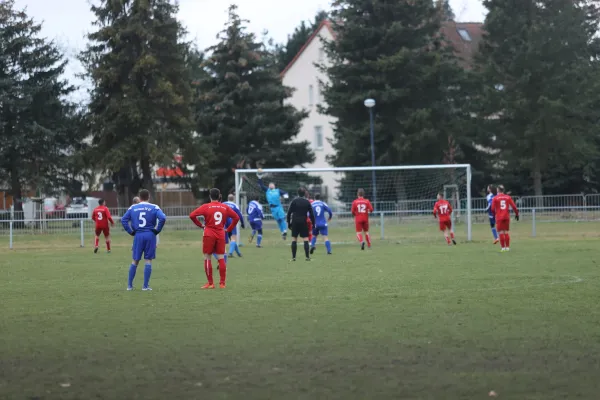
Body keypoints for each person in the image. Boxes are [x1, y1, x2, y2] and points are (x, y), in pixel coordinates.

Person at [189, 188, 240, 289]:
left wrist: (200, 225)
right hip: (221, 233)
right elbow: (236, 217)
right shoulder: (224, 207)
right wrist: (229, 229)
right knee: (221, 258)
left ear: (210, 196)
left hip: (209, 233)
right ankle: (222, 283)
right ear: (219, 196)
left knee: (207, 257)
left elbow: (192, 215)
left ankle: (210, 283)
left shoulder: (206, 207)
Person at [121, 189, 166, 291]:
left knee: (135, 260)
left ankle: (129, 286)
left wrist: (131, 231)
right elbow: (163, 218)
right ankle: (145, 286)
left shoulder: (133, 207)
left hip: (138, 234)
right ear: (148, 196)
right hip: (150, 235)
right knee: (148, 260)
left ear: (139, 197)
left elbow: (123, 220)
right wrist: (157, 230)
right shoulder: (154, 207)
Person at [257, 170, 289, 240]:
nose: (271, 185)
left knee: (282, 219)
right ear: (268, 186)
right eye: (269, 184)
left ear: (274, 186)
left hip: (279, 207)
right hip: (272, 208)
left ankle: (285, 231)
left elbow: (285, 193)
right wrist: (259, 178)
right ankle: (282, 233)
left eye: (272, 184)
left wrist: (285, 196)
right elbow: (261, 186)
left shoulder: (278, 190)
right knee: (278, 221)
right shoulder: (267, 190)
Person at [286, 187, 315, 261]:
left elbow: (289, 213)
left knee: (294, 239)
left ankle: (293, 258)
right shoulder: (307, 202)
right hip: (303, 222)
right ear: (304, 193)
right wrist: (313, 224)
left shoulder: (294, 201)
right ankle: (307, 257)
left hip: (295, 222)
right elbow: (312, 214)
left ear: (297, 193)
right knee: (306, 238)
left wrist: (289, 223)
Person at [491, 185, 519, 252]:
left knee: (501, 232)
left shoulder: (495, 198)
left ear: (498, 190)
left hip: (499, 217)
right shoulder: (508, 197)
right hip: (506, 216)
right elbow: (514, 206)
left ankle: (503, 248)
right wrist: (517, 214)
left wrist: (494, 215)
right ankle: (508, 248)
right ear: (503, 190)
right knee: (506, 232)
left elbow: (492, 209)